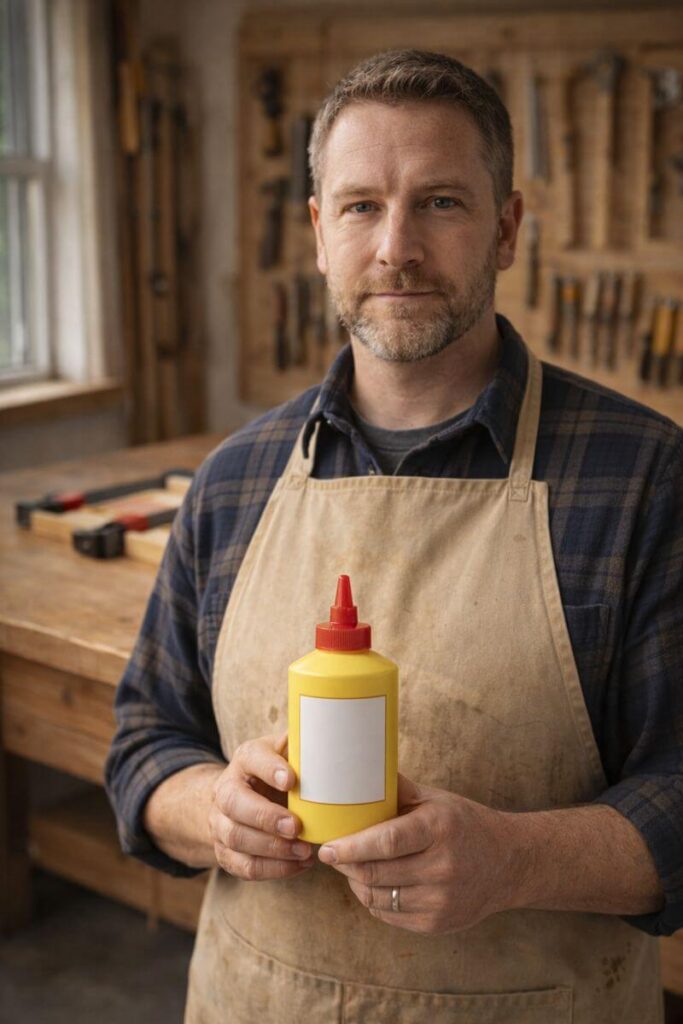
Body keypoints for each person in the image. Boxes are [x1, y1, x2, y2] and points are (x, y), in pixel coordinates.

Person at [105, 49, 683, 1024]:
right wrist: (212, 809)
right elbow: (141, 746)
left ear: (506, 227)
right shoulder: (234, 480)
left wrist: (514, 861)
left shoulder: (642, 480)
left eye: (441, 204)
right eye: (362, 205)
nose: (396, 248)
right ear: (318, 231)